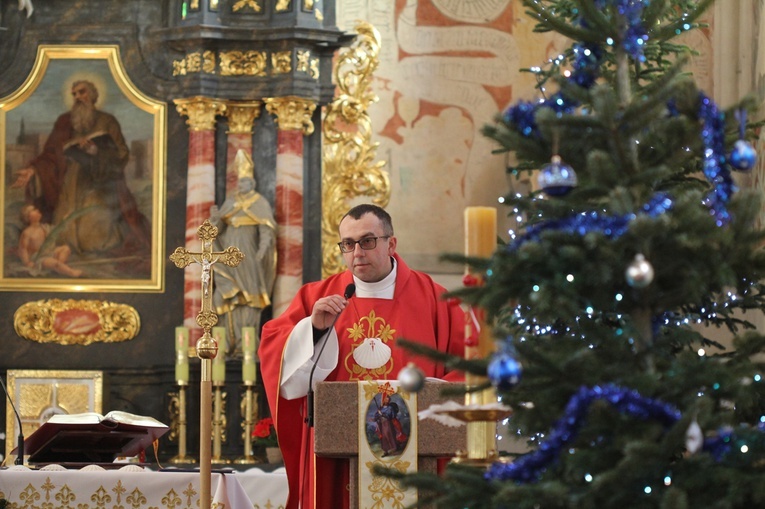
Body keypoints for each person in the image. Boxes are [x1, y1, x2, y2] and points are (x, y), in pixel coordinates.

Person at [259, 203, 465, 509]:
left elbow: (469, 368)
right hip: (336, 457)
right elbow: (277, 353)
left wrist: (431, 393)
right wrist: (313, 330)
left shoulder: (436, 300)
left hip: (416, 454)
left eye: (368, 241)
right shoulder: (316, 298)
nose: (357, 252)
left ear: (391, 244)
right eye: (348, 244)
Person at [11, 79, 150, 258]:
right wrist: (33, 170)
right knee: (64, 232)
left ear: (92, 94)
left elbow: (122, 153)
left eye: (82, 92)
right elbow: (50, 153)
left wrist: (96, 151)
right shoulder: (66, 121)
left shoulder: (108, 121)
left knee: (94, 240)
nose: (77, 97)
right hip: (72, 179)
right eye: (74, 94)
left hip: (99, 181)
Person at [211, 150, 277, 357]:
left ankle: (245, 344)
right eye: (240, 181)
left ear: (253, 183)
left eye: (246, 181)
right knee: (222, 296)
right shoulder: (230, 202)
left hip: (248, 255)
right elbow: (217, 229)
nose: (242, 185)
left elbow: (267, 229)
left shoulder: (260, 202)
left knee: (249, 297)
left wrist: (263, 249)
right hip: (228, 253)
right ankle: (226, 343)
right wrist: (215, 219)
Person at [17, 204, 82, 278]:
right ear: (28, 217)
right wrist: (27, 262)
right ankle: (71, 272)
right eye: (33, 210)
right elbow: (23, 249)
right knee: (54, 263)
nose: (37, 210)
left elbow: (56, 230)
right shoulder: (27, 233)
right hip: (39, 258)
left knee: (66, 249)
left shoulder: (44, 227)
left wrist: (64, 221)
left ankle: (57, 266)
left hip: (50, 252)